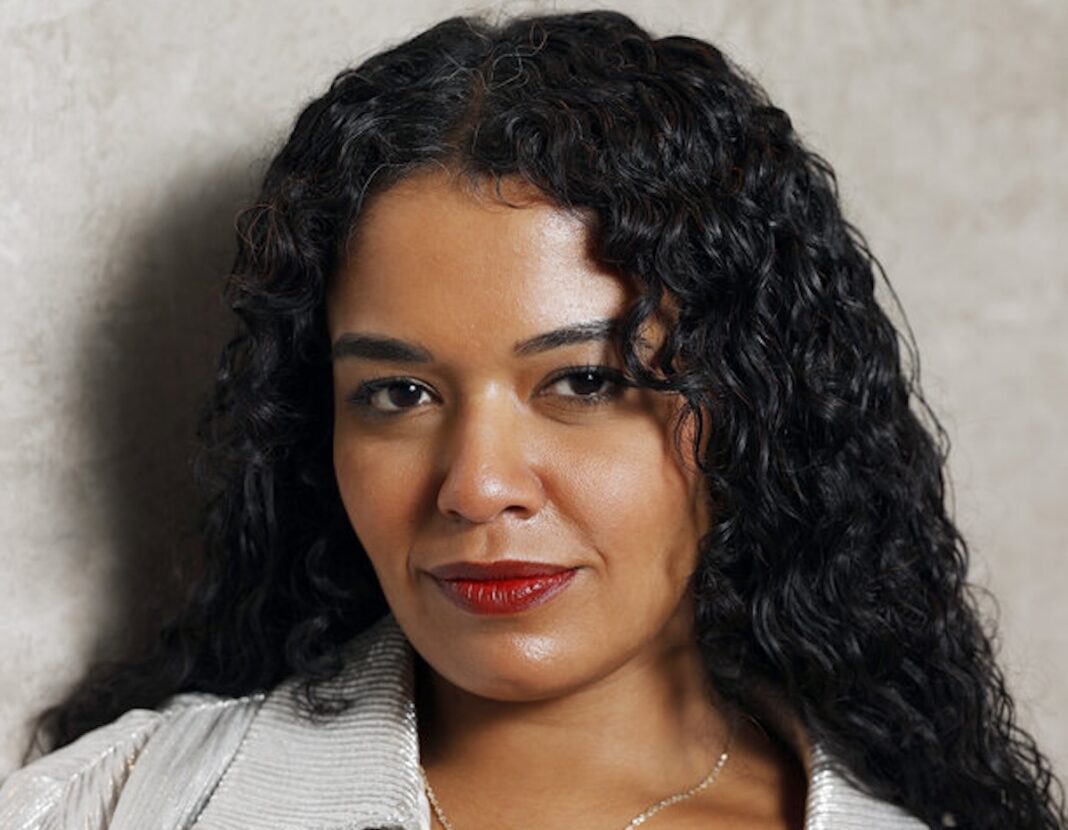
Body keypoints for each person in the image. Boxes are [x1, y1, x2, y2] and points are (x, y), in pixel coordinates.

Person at [0, 9, 1063, 830]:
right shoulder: (113, 805)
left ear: (752, 406)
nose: (477, 485)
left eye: (586, 383)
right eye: (398, 393)